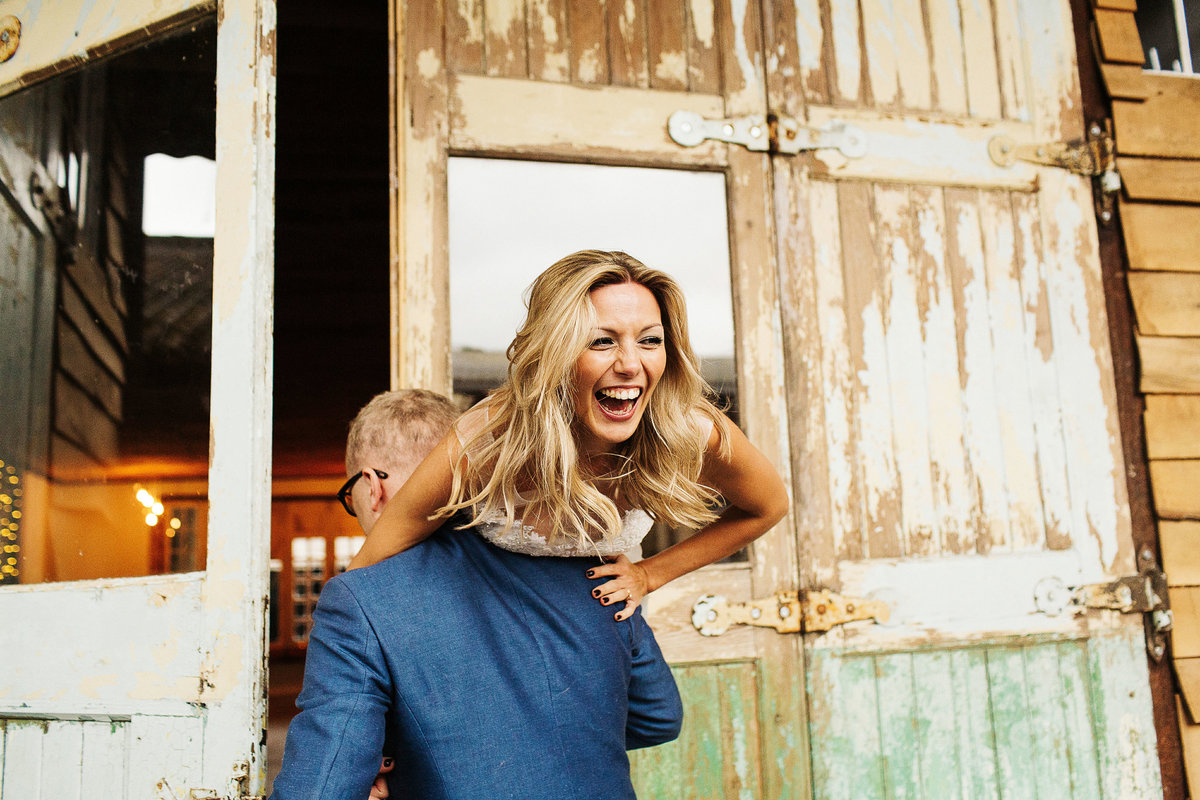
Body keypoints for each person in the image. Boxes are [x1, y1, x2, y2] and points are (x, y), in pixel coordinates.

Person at [269, 389, 683, 800]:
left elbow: (320, 788)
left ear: (372, 486)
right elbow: (659, 715)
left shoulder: (359, 599)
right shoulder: (585, 565)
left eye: (350, 498)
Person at [348, 250, 789, 624]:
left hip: (608, 633)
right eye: (601, 341)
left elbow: (768, 507)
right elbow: (378, 554)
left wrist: (650, 574)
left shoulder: (690, 429)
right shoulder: (489, 437)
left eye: (650, 340)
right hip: (489, 629)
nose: (631, 364)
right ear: (555, 353)